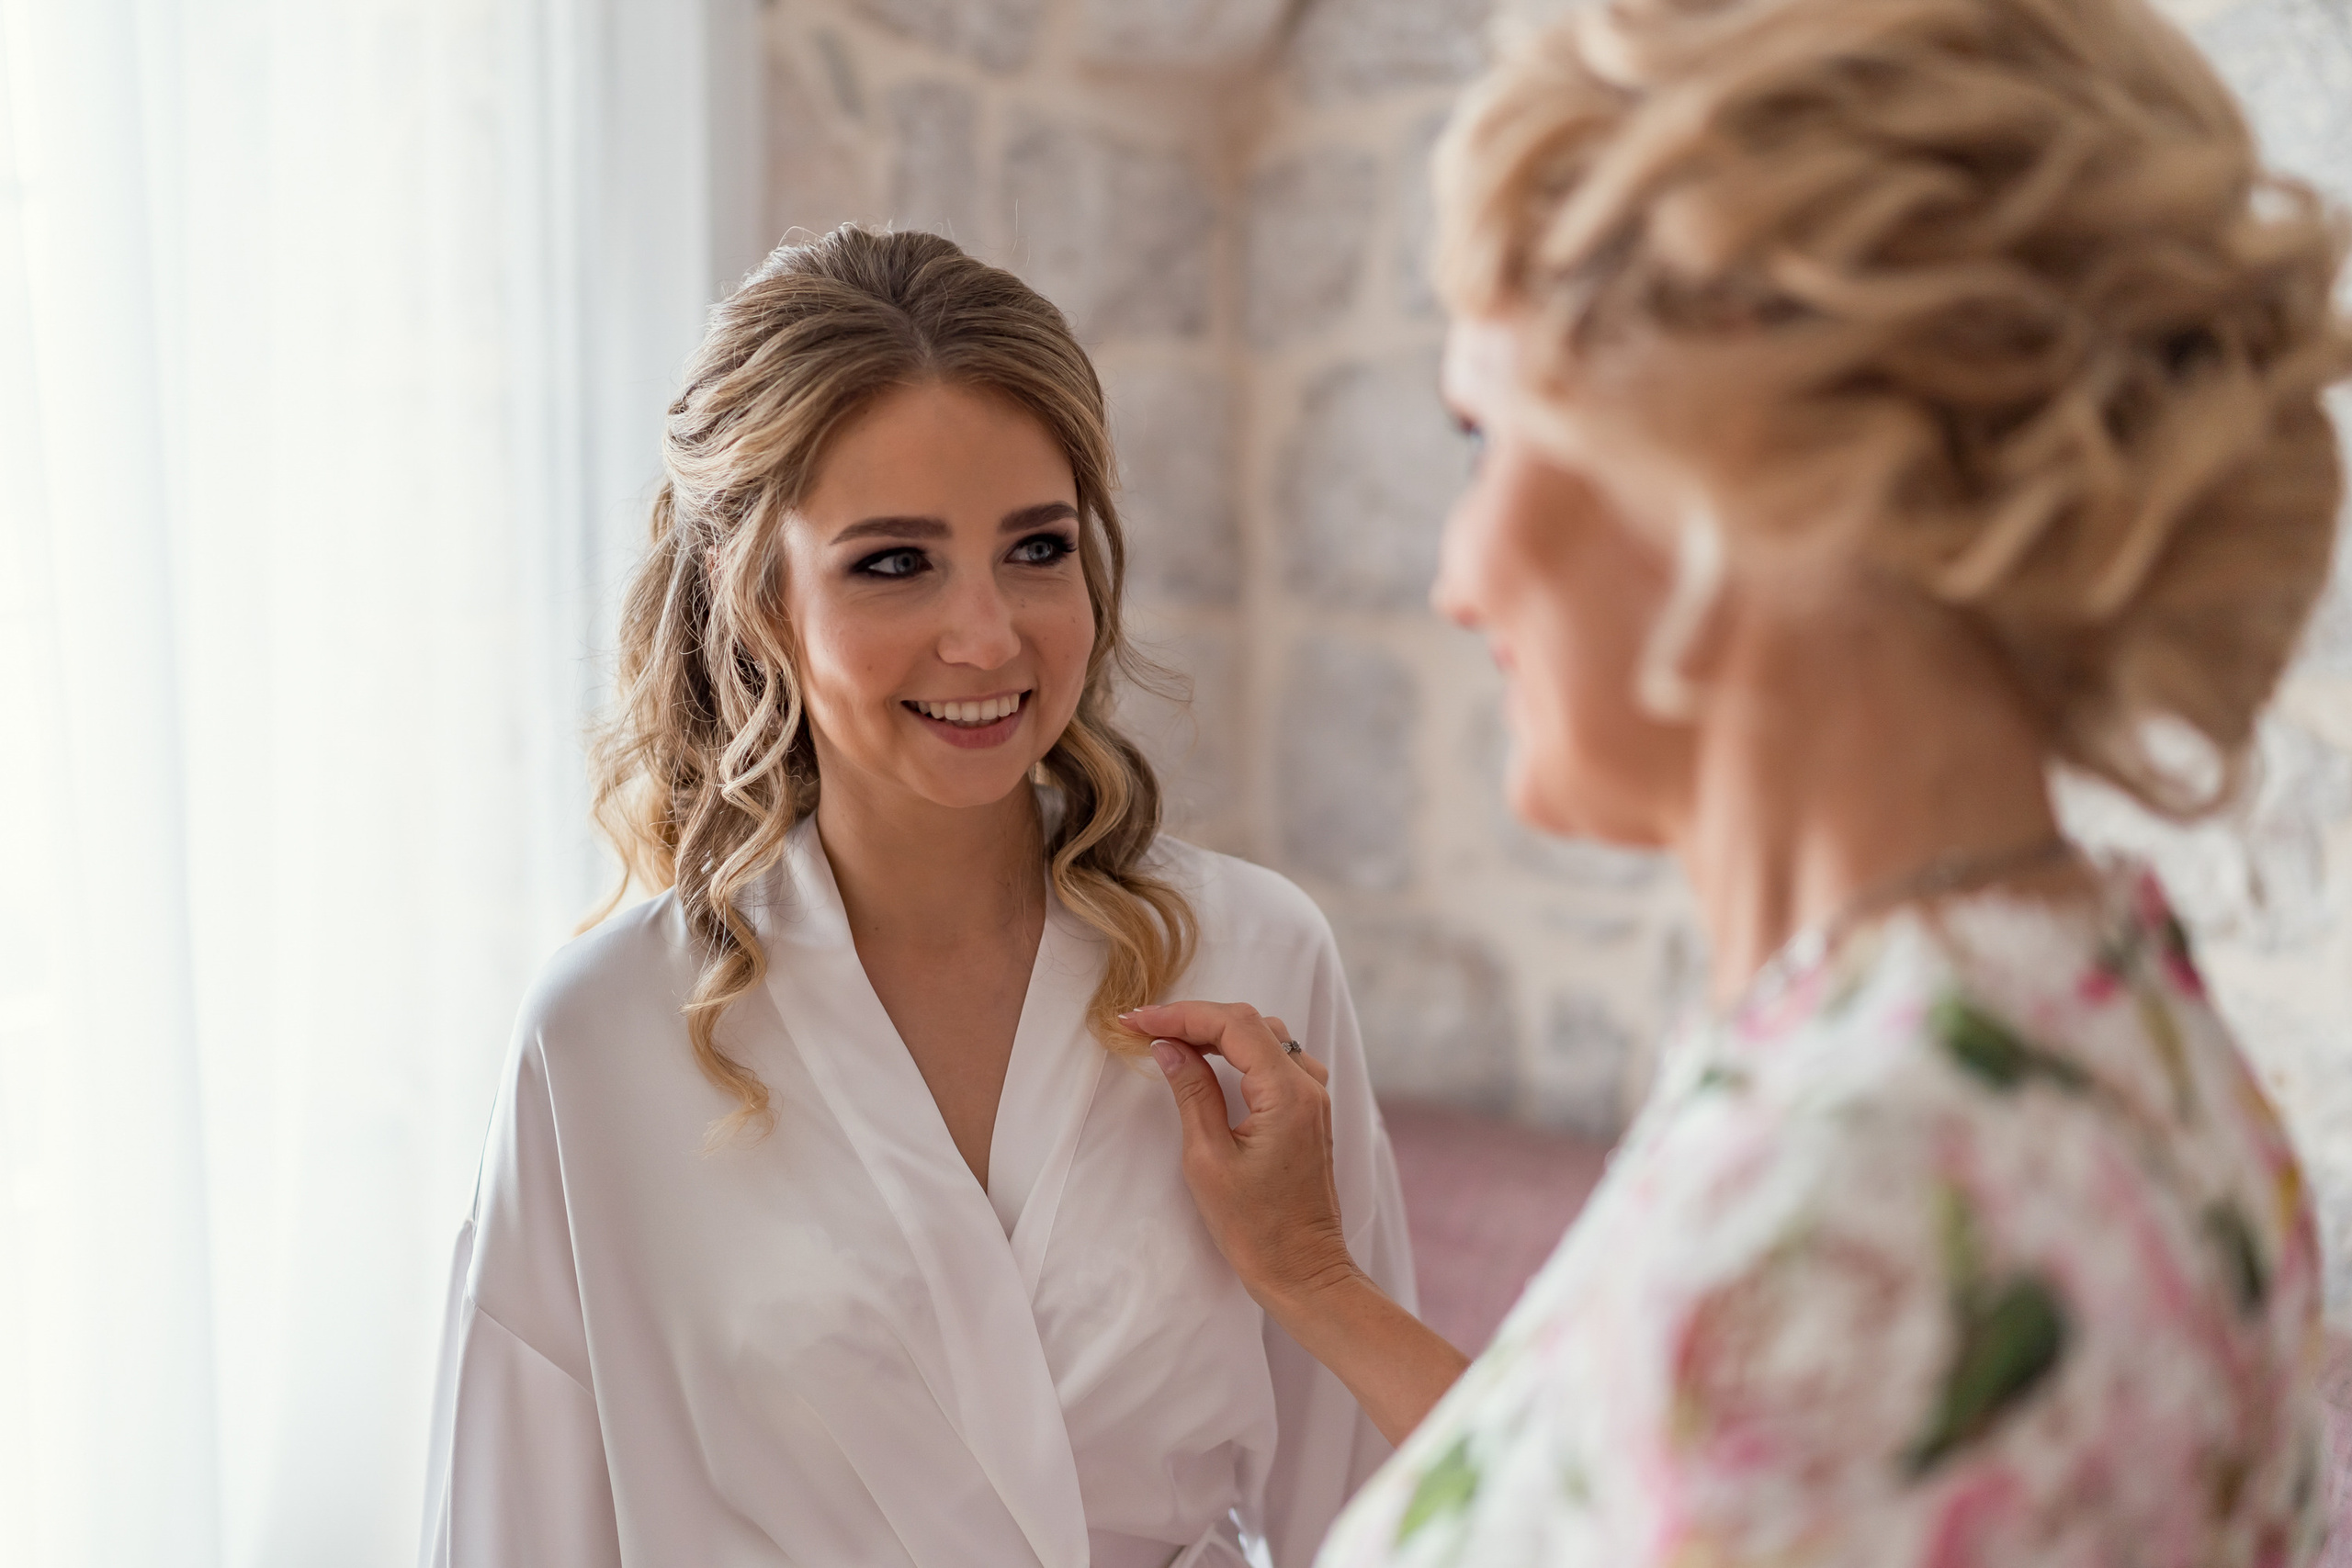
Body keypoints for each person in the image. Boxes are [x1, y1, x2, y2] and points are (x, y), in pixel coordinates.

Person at [1135, 0, 2352, 1562]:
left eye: (1482, 438)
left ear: (1735, 474)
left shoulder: (1876, 1223)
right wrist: (1312, 1276)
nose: (1456, 576)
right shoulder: (2050, 1024)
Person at [421, 226, 1414, 1568]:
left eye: (1037, 548)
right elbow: (515, 1534)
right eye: (894, 562)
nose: (989, 637)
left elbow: (1386, 1508)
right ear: (753, 592)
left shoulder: (1252, 958)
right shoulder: (603, 1037)